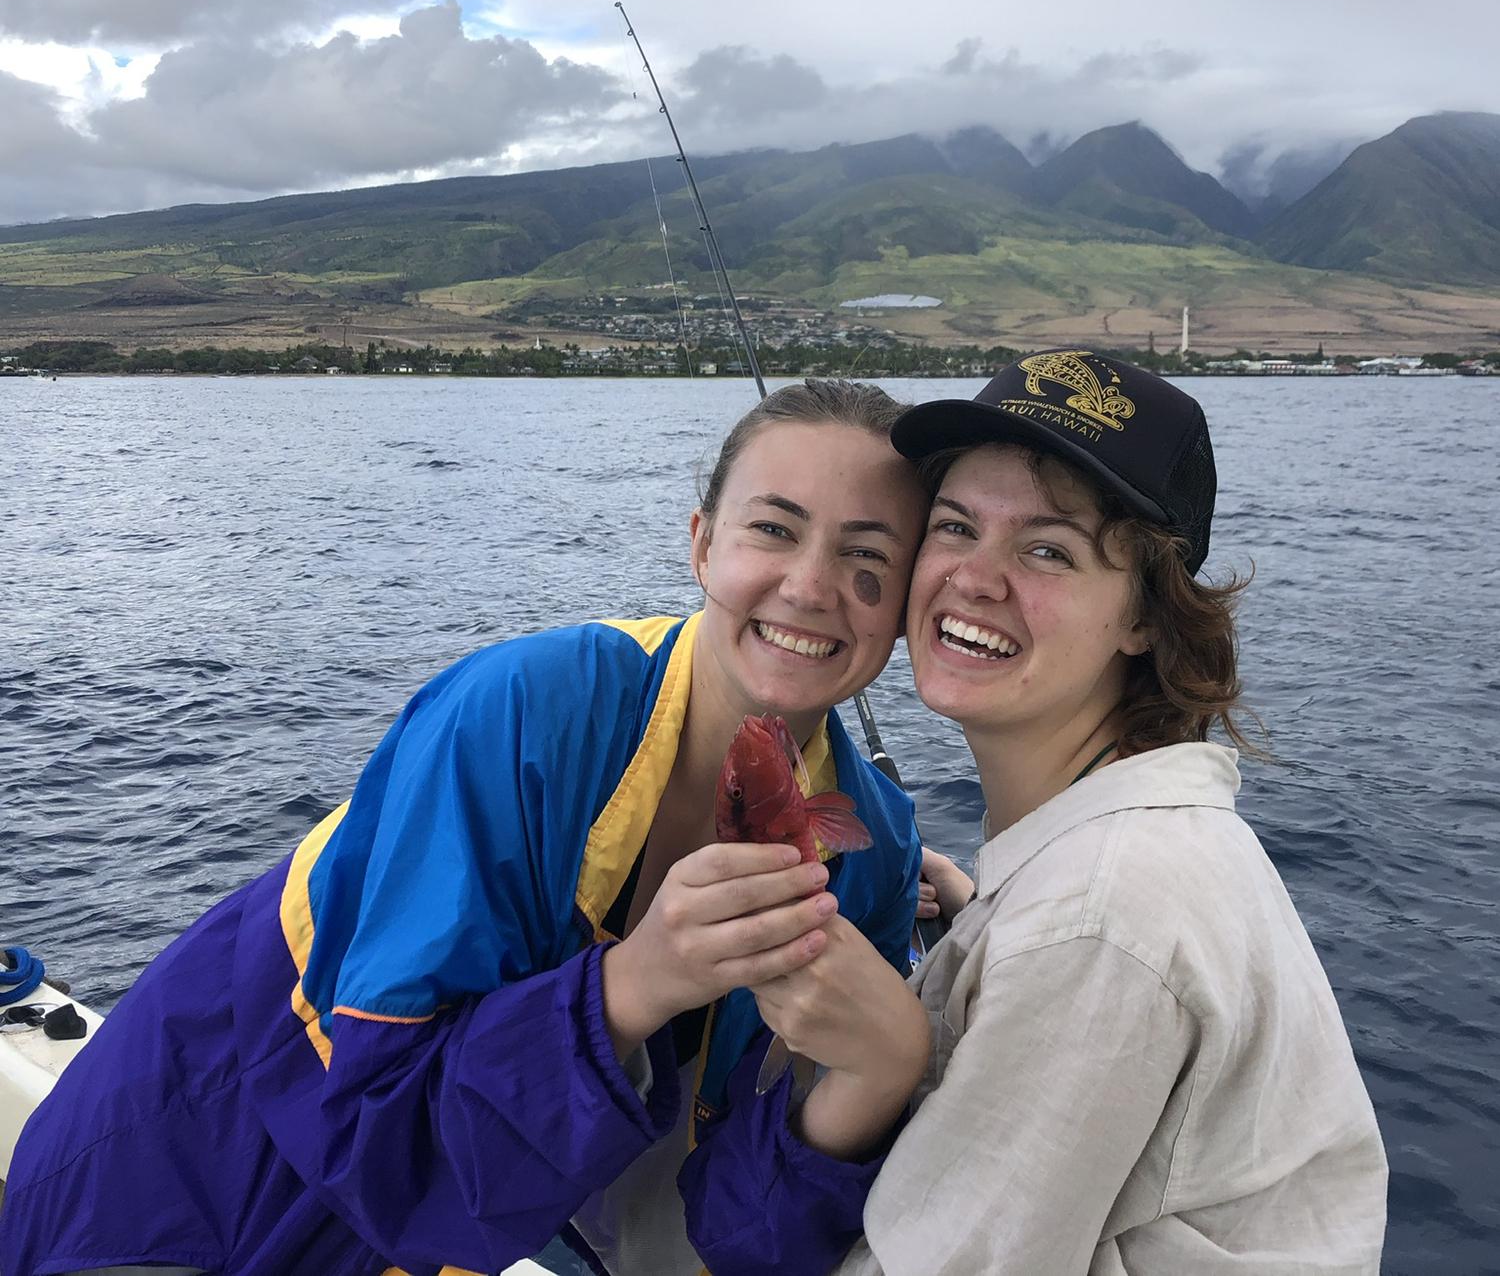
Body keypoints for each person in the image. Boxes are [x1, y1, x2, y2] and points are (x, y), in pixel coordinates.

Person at [0, 379, 932, 1276]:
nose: (811, 587)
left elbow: (735, 1227)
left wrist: (880, 1077)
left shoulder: (873, 849)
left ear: (906, 605)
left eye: (868, 561)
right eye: (772, 528)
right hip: (196, 1157)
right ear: (701, 545)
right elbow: (378, 1128)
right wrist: (639, 982)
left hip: (443, 1228)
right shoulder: (524, 710)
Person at [743, 350, 1388, 1275]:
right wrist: (980, 916)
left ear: (1145, 617)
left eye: (1047, 549)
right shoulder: (1130, 852)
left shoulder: (1098, 920)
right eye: (956, 525)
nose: (974, 577)